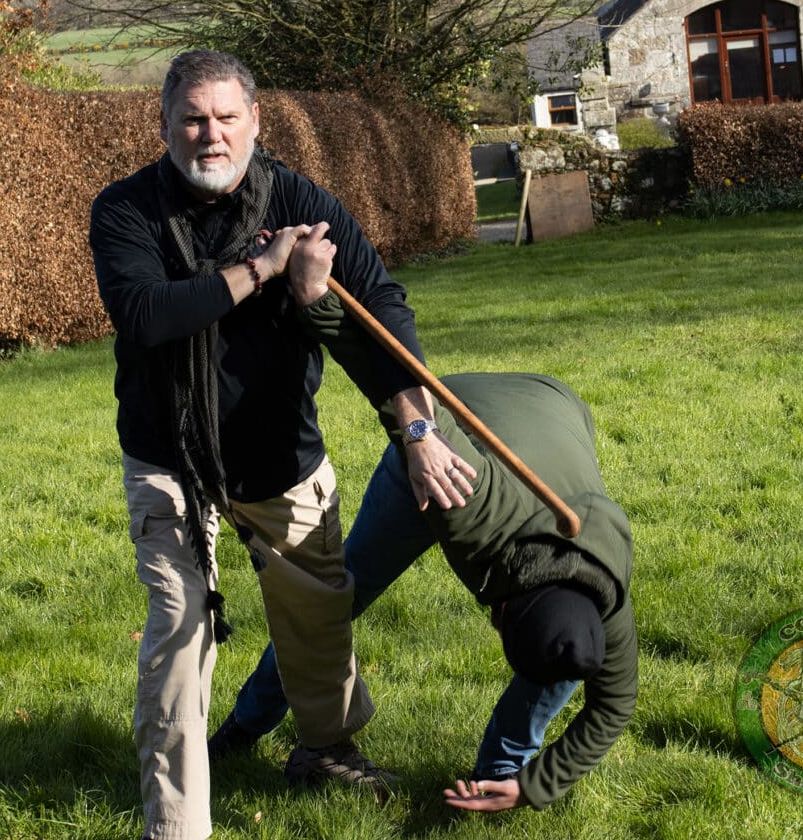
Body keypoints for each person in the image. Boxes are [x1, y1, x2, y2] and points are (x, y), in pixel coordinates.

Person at [88, 50, 475, 840]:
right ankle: (176, 826)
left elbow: (382, 314)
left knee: (317, 621)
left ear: (255, 122)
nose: (210, 134)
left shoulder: (304, 201)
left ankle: (326, 750)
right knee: (178, 631)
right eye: (193, 118)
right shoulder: (124, 209)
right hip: (172, 462)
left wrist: (419, 428)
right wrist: (262, 269)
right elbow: (147, 315)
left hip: (279, 456)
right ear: (164, 126)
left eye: (226, 117)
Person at [208, 278, 637, 812]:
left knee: (561, 650)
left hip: (553, 405)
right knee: (332, 600)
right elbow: (386, 371)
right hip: (449, 438)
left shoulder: (606, 590)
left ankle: (501, 779)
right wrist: (317, 299)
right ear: (498, 612)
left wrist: (536, 785)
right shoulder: (472, 505)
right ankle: (243, 728)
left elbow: (615, 705)